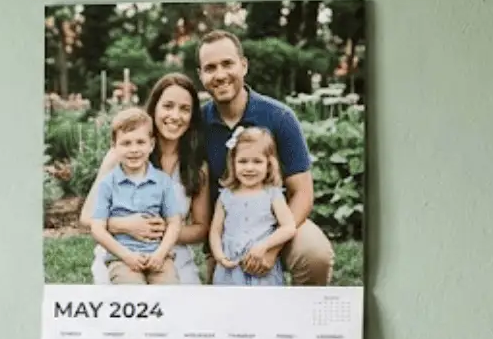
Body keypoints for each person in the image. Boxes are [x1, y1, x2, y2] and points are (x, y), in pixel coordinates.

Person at [195, 30, 335, 286]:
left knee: (316, 255)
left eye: (228, 64)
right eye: (210, 68)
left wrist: (272, 246)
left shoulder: (279, 117)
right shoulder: (198, 124)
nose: (220, 75)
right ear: (201, 75)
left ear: (244, 65)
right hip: (229, 228)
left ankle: (302, 322)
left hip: (277, 219)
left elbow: (302, 192)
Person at [81, 73, 211, 282]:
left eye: (184, 109)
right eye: (168, 106)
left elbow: (200, 228)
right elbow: (87, 217)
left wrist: (164, 232)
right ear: (154, 108)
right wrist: (125, 226)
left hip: (170, 254)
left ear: (192, 116)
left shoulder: (197, 165)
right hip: (123, 252)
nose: (175, 116)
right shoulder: (124, 155)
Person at [85, 108, 184, 285]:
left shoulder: (163, 181)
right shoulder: (108, 184)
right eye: (126, 143)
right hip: (123, 258)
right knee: (132, 292)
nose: (134, 149)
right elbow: (97, 228)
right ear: (114, 147)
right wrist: (126, 256)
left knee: (169, 293)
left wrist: (160, 254)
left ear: (151, 144)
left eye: (140, 142)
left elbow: (174, 223)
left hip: (158, 256)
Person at [210, 127, 296, 287]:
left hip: (260, 266)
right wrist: (219, 256)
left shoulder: (272, 194)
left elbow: (289, 227)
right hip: (230, 267)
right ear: (233, 163)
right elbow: (216, 230)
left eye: (257, 161)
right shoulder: (226, 195)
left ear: (269, 165)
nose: (249, 168)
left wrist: (264, 246)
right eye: (243, 161)